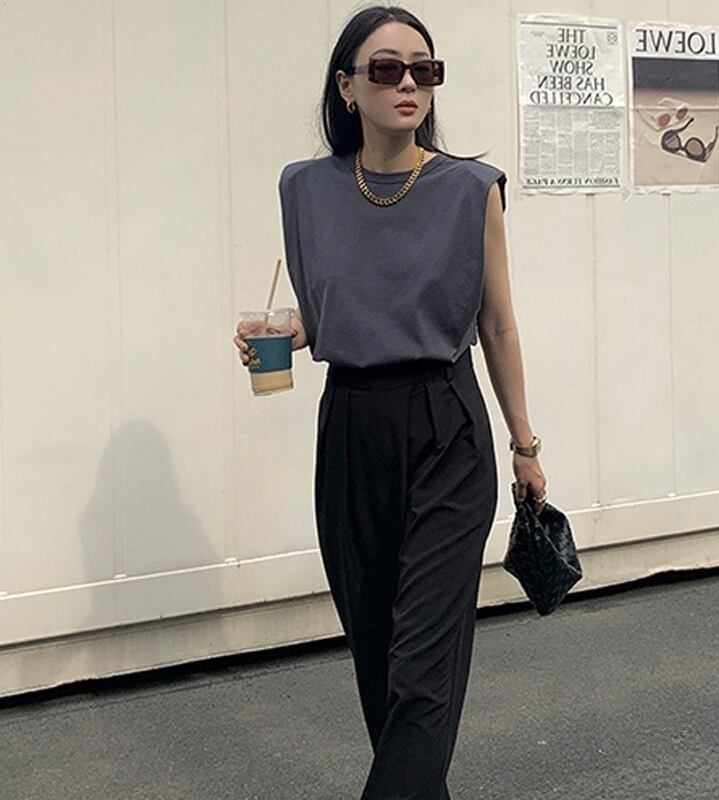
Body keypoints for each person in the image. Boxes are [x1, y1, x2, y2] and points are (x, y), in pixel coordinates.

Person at [233, 5, 547, 798]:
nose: (408, 82)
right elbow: (339, 305)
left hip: (447, 425)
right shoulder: (305, 189)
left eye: (424, 69)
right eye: (386, 68)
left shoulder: (470, 189)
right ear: (346, 87)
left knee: (422, 666)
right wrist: (293, 329)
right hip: (351, 426)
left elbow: (497, 323)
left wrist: (525, 445)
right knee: (377, 658)